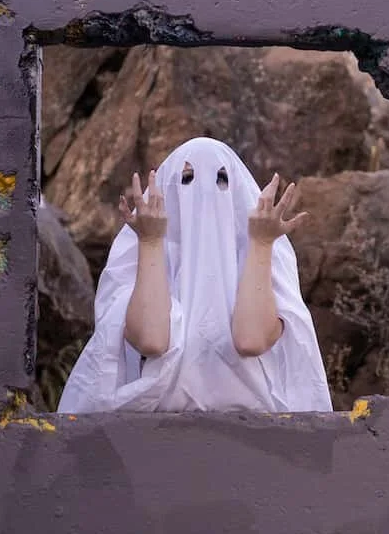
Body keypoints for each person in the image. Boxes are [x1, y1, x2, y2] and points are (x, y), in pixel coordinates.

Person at [56, 136, 333, 413]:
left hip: (252, 429)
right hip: (156, 428)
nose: (205, 194)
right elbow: (152, 341)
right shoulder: (139, 252)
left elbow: (250, 340)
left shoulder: (264, 251)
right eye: (187, 179)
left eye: (221, 180)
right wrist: (151, 241)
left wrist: (260, 244)